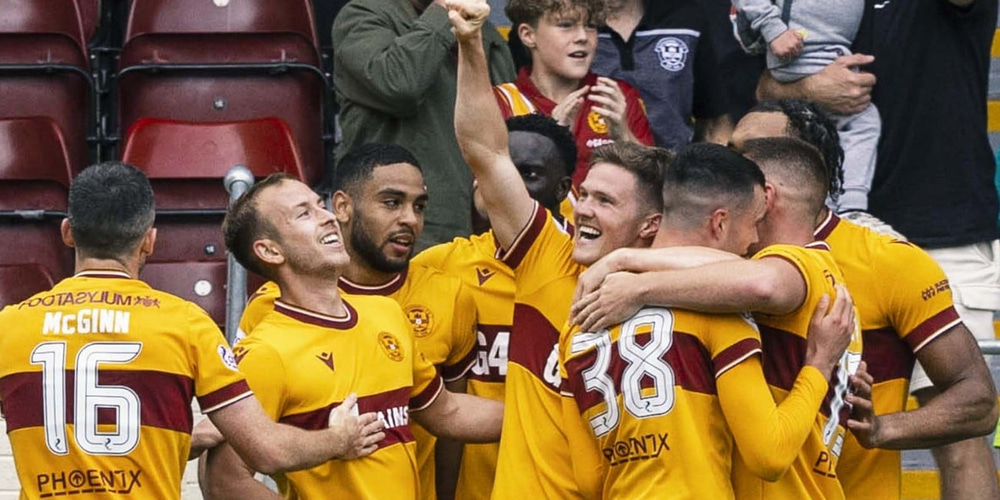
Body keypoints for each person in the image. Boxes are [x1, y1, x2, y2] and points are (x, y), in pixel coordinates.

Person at [0, 163, 385, 500]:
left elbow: (83, 429)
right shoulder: (185, 324)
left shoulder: (11, 325)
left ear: (68, 232)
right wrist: (340, 440)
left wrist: (188, 437)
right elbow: (266, 450)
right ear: (150, 240)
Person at [729, 101, 999, 500]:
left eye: (753, 151)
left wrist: (883, 428)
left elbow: (978, 401)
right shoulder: (707, 254)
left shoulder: (887, 261)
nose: (730, 164)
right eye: (731, 149)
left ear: (801, 165)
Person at [559, 141, 858, 499]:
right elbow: (769, 454)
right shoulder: (717, 308)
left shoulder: (578, 322)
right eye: (753, 224)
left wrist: (624, 264)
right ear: (720, 222)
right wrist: (819, 366)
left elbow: (589, 480)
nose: (753, 240)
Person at [449, 0, 665, 496]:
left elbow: (758, 281)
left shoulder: (671, 290)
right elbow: (485, 153)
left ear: (650, 226)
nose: (581, 208)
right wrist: (470, 42)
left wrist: (634, 275)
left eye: (603, 200)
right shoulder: (548, 256)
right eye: (583, 194)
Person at [202, 174, 503, 499]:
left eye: (320, 205)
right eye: (304, 213)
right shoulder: (265, 352)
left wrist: (538, 412)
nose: (328, 217)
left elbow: (447, 412)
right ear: (270, 251)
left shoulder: (386, 314)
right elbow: (224, 480)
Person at [413, 112, 577, 500]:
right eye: (500, 171)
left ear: (563, 189)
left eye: (529, 174)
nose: (507, 187)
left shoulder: (590, 269)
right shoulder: (441, 266)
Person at [333, 0, 516, 250]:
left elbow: (506, 120)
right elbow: (399, 83)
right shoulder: (362, 16)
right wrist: (443, 12)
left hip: (482, 227)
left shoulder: (485, 33)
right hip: (400, 229)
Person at [733, 0, 879, 215]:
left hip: (830, 51)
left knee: (824, 132)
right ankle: (850, 206)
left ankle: (834, 204)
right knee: (860, 120)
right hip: (802, 53)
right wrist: (773, 29)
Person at [493, 0, 654, 191]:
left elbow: (654, 189)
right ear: (528, 35)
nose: (582, 37)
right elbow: (490, 194)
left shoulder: (617, 96)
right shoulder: (501, 102)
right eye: (566, 25)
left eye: (590, 26)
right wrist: (551, 142)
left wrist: (624, 136)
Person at [592, 0, 732, 149]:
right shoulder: (578, 29)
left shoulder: (685, 19)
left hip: (672, 159)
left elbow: (714, 120)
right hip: (588, 159)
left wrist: (701, 162)